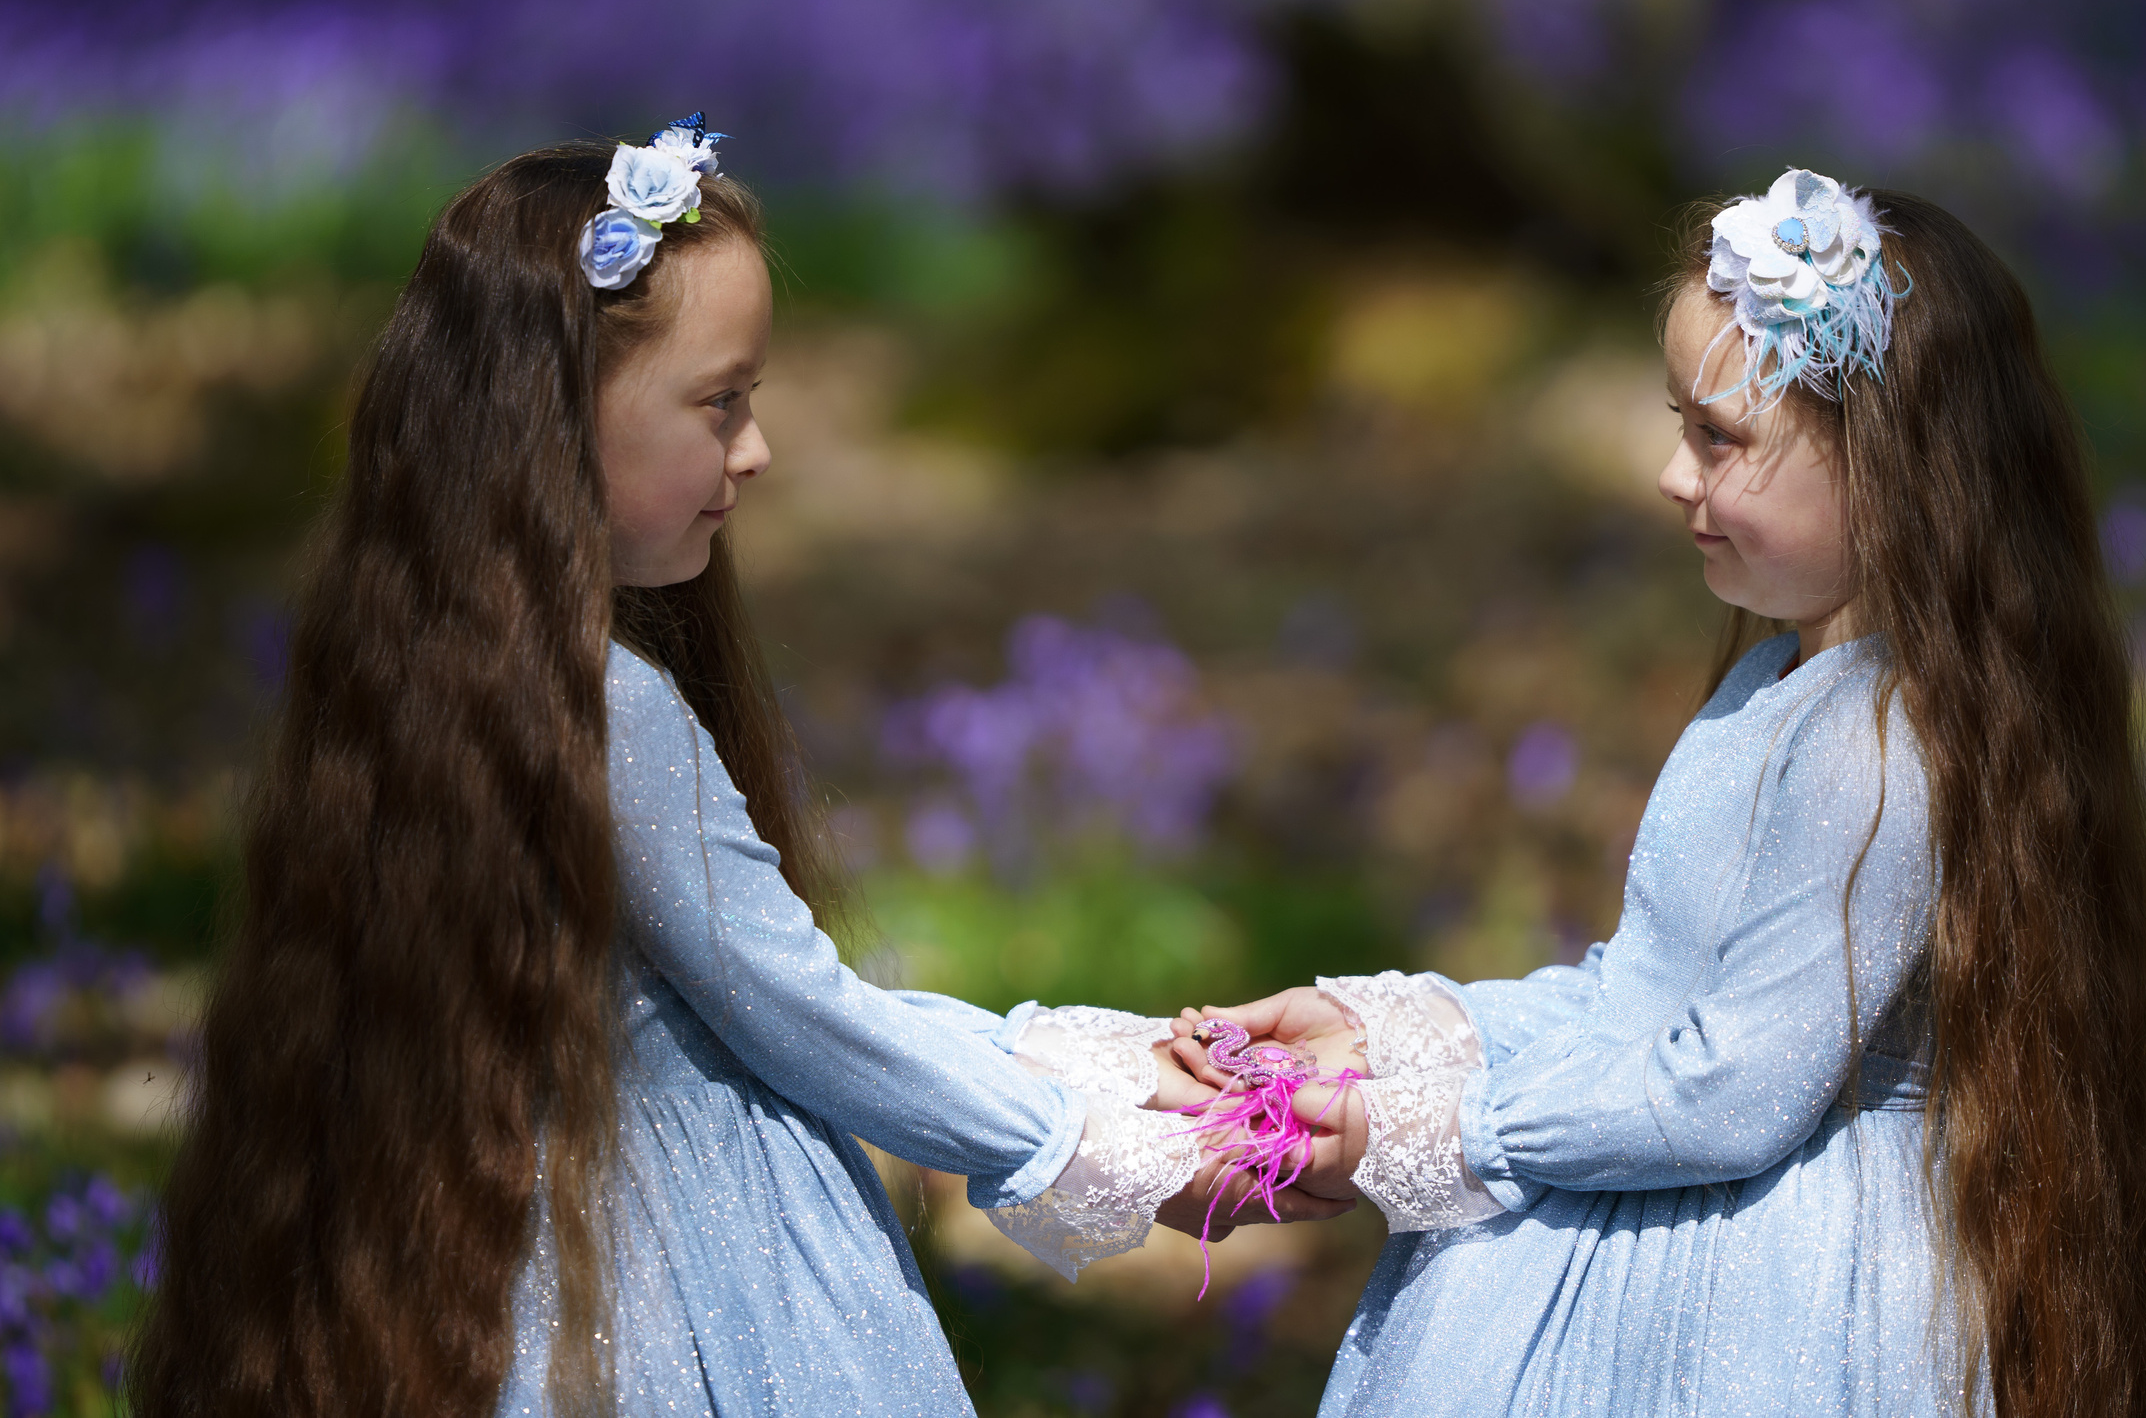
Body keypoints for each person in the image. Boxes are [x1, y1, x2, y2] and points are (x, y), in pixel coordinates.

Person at [127, 123, 1345, 1418]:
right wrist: (1080, 1131)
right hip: (692, 1273)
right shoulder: (609, 707)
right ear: (556, 417)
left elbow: (775, 991)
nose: (755, 451)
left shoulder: (425, 664)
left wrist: (1094, 1061)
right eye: (722, 402)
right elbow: (799, 1007)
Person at [1178, 171, 2146, 1417]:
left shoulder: (1873, 747)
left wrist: (1428, 1131)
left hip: (1772, 1294)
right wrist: (1397, 1031)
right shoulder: (1781, 686)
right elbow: (1643, 997)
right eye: (1679, 425)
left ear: (1892, 462)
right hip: (1695, 1213)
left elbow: (1724, 1093)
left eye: (1720, 437)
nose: (1670, 474)